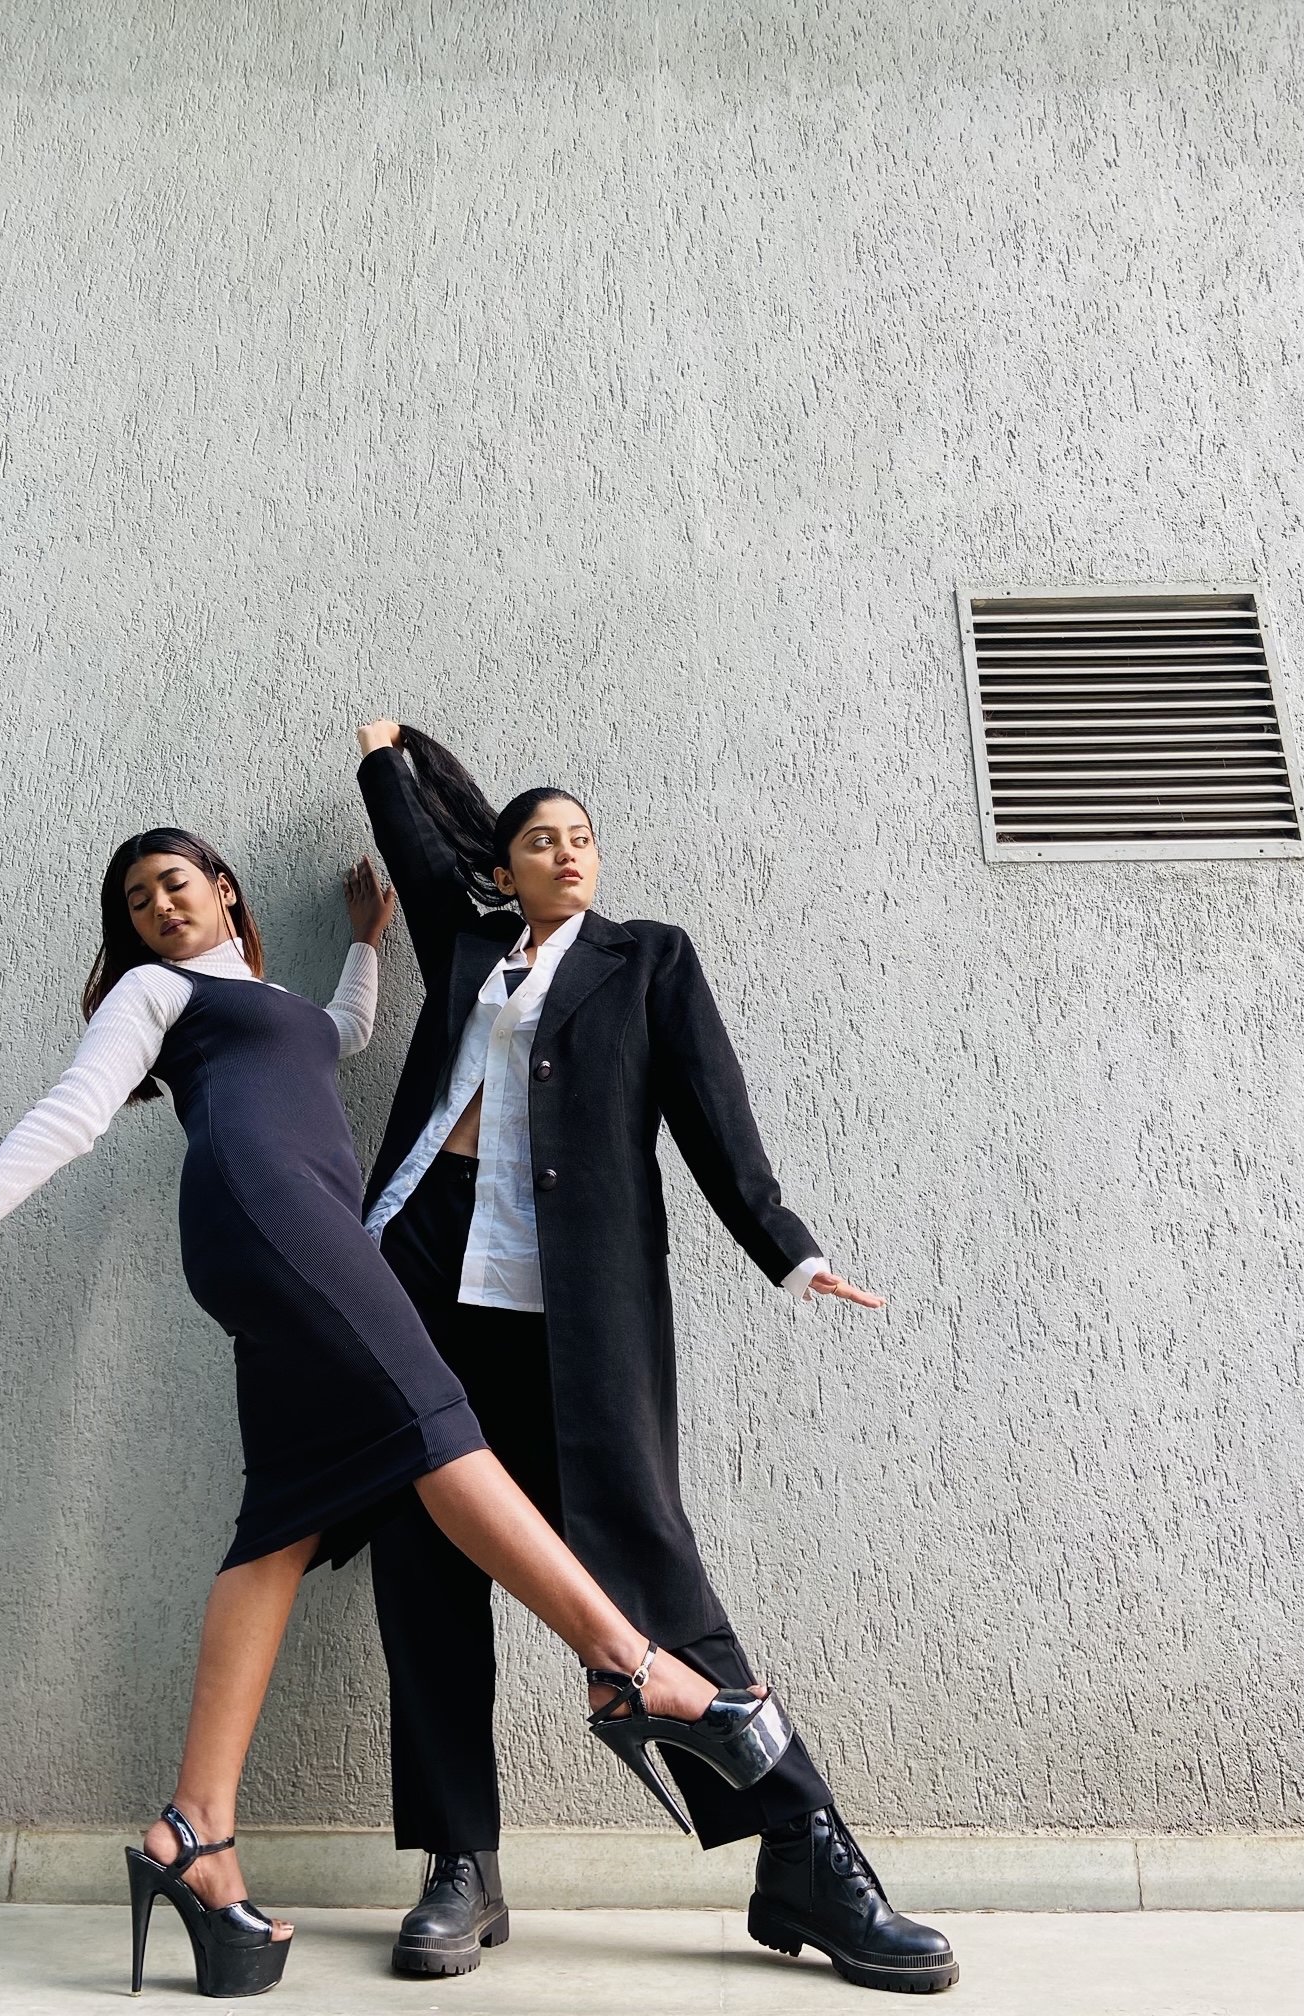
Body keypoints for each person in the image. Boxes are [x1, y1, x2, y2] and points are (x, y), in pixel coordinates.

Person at [0, 827, 794, 2000]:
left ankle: (194, 1834)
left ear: (224, 892)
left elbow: (344, 1031)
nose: (159, 906)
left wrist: (364, 945)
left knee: (280, 1524)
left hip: (288, 1225)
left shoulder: (274, 1005)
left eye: (175, 883)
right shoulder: (155, 995)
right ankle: (627, 1664)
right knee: (436, 1419)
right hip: (269, 1213)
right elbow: (75, 1109)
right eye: (138, 900)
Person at [355, 723, 959, 1996]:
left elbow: (712, 1118)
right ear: (505, 870)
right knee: (423, 1565)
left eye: (581, 838)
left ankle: (801, 1846)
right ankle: (461, 1862)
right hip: (420, 1266)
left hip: (571, 1304)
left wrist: (787, 1248)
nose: (568, 855)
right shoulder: (467, 945)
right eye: (540, 841)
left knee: (640, 1559)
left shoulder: (648, 961)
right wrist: (383, 755)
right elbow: (422, 854)